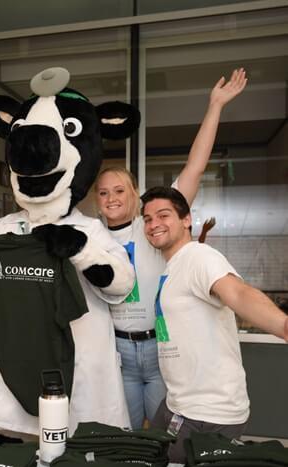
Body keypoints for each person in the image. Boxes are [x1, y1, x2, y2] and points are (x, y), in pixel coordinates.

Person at [94, 68, 247, 429]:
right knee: (126, 437)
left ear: (134, 193)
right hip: (118, 352)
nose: (112, 198)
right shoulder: (90, 239)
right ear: (96, 201)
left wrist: (215, 107)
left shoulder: (151, 226)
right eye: (103, 192)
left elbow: (194, 168)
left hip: (159, 349)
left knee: (166, 438)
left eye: (119, 190)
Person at [140, 186, 288, 462]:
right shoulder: (174, 267)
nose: (154, 224)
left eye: (163, 215)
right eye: (148, 219)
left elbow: (238, 293)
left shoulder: (199, 257)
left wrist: (283, 325)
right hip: (178, 403)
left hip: (204, 414)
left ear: (186, 220)